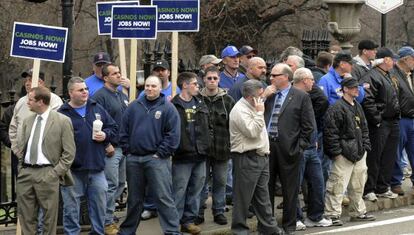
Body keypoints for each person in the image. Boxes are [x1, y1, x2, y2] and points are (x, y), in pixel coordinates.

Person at [118, 75, 181, 235]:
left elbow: (173, 135)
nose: (150, 89)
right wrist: (128, 151)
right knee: (134, 200)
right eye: (147, 86)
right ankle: (127, 231)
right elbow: (123, 131)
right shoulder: (133, 107)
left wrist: (160, 153)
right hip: (134, 159)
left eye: (153, 86)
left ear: (160, 88)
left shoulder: (168, 108)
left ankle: (172, 231)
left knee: (163, 197)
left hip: (157, 160)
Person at [59, 77, 117, 235]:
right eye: (80, 90)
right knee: (71, 209)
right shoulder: (61, 113)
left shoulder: (96, 107)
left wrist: (105, 136)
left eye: (85, 89)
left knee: (99, 206)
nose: (85, 92)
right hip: (72, 171)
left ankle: (98, 232)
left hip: (96, 168)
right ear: (71, 93)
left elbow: (113, 128)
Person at [16, 86, 75, 234]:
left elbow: (69, 153)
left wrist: (54, 174)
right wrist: (21, 169)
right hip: (26, 173)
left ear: (40, 101)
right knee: (26, 217)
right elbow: (24, 147)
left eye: (30, 100)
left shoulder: (62, 121)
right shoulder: (28, 120)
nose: (27, 102)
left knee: (49, 218)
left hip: (48, 173)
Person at [264, 63, 315, 234]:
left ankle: (289, 226)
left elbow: (309, 126)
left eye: (274, 75)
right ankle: (268, 225)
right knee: (266, 188)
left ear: (285, 77)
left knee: (290, 190)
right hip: (268, 148)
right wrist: (263, 97)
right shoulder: (268, 95)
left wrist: (298, 147)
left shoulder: (300, 96)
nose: (270, 78)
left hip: (289, 148)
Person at [229, 79, 284, 235]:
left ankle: (269, 228)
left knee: (263, 197)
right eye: (260, 95)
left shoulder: (253, 105)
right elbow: (253, 132)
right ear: (251, 97)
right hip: (247, 157)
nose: (263, 98)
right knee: (243, 198)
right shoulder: (240, 110)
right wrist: (260, 112)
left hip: (261, 156)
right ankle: (239, 230)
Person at [324, 77, 375, 225]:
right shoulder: (336, 107)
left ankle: (358, 212)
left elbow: (364, 128)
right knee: (337, 185)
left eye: (357, 87)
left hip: (359, 152)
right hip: (343, 154)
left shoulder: (357, 105)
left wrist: (365, 146)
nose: (356, 89)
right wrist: (337, 152)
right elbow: (330, 132)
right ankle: (332, 214)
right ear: (345, 89)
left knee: (358, 184)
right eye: (353, 87)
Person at [292, 68, 332, 229]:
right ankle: (294, 218)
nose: (314, 82)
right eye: (311, 80)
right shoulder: (292, 96)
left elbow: (311, 120)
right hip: (299, 147)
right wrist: (300, 144)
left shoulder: (307, 96)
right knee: (294, 184)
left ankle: (315, 217)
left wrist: (313, 139)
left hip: (312, 146)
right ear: (304, 80)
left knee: (318, 182)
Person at [171, 72, 210, 234]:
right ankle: (174, 223)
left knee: (196, 189)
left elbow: (209, 126)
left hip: (200, 154)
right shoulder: (173, 105)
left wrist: (209, 143)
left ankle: (189, 221)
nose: (198, 86)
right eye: (194, 84)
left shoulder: (201, 103)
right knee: (179, 190)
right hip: (181, 156)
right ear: (185, 85)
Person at [360, 47, 401, 202]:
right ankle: (369, 188)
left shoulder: (389, 75)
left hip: (393, 121)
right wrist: (377, 120)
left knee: (388, 156)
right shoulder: (371, 77)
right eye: (393, 59)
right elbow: (367, 101)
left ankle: (382, 187)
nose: (395, 62)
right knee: (375, 156)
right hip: (380, 123)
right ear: (386, 60)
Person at [196, 66, 235, 225]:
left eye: (215, 78)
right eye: (209, 78)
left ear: (219, 80)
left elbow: (233, 125)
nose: (212, 81)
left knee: (221, 182)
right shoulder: (197, 99)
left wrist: (231, 146)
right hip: (202, 150)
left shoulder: (227, 100)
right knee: (200, 183)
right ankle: (198, 212)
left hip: (222, 149)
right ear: (204, 79)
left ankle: (219, 211)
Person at [93, 63, 129, 234]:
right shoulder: (100, 96)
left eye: (119, 72)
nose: (119, 75)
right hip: (111, 149)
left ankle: (108, 215)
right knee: (110, 185)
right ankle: (105, 222)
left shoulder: (121, 95)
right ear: (105, 78)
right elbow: (97, 123)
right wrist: (106, 144)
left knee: (120, 184)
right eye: (115, 73)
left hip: (124, 147)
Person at [9, 69, 63, 157]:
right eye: (26, 80)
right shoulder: (21, 102)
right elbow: (13, 128)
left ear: (41, 82)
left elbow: (58, 127)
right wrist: (17, 150)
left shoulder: (54, 100)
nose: (27, 83)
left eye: (30, 80)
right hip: (23, 155)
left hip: (47, 156)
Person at [389, 46, 414, 195]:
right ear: (405, 59)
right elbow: (393, 98)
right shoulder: (394, 75)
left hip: (411, 117)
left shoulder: (409, 74)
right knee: (397, 152)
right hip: (401, 118)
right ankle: (396, 182)